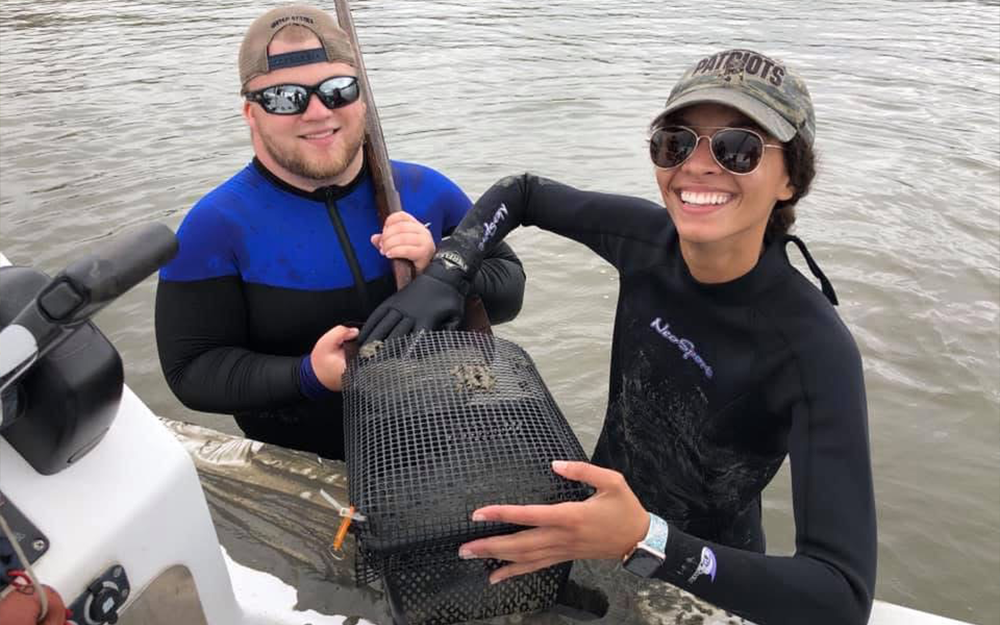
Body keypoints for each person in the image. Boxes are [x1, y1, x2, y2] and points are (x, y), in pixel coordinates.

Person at [357, 49, 877, 624]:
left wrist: (645, 539)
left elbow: (840, 594)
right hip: (585, 526)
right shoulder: (645, 239)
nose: (699, 167)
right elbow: (522, 192)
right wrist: (448, 271)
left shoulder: (814, 349)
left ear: (790, 179)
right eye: (676, 142)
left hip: (699, 578)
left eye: (738, 149)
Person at [154, 4, 525, 461]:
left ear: (362, 99)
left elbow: (510, 291)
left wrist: (446, 266)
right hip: (312, 470)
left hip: (448, 442)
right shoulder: (213, 228)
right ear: (250, 113)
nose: (316, 112)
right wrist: (309, 375)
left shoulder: (428, 191)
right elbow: (192, 372)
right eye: (285, 98)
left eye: (337, 90)